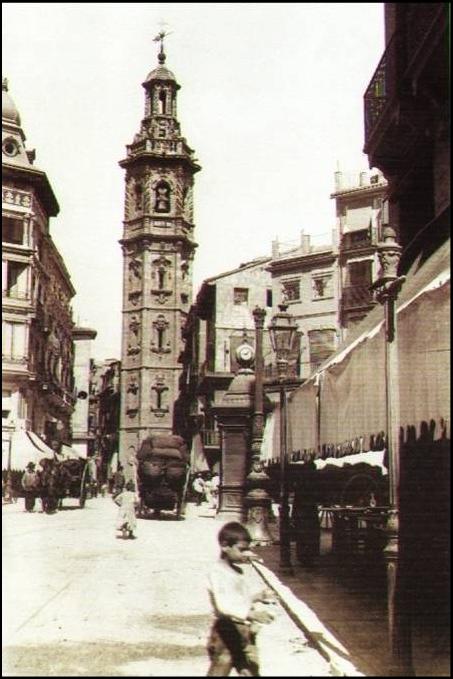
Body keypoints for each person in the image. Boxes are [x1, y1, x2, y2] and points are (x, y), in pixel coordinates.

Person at [206, 521, 276, 676]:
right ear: (225, 546)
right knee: (219, 671)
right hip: (227, 633)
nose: (246, 553)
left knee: (251, 670)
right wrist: (251, 614)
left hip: (245, 632)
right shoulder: (218, 573)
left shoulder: (236, 571)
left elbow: (238, 600)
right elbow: (223, 605)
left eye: (248, 549)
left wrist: (259, 597)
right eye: (242, 549)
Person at [292, 460, 320, 566]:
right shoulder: (314, 482)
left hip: (302, 512)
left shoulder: (300, 482)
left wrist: (294, 514)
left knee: (303, 536)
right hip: (309, 512)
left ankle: (303, 557)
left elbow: (296, 500)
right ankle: (309, 557)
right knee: (310, 535)